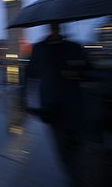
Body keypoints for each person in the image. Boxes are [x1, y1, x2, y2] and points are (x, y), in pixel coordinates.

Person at [27, 22, 89, 186]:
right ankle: (74, 178)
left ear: (61, 28)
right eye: (52, 26)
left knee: (79, 145)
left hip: (75, 105)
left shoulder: (74, 47)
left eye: (57, 26)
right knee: (62, 148)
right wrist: (29, 103)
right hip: (52, 108)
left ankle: (78, 174)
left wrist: (78, 73)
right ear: (48, 28)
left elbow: (89, 70)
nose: (55, 29)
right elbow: (29, 76)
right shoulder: (39, 48)